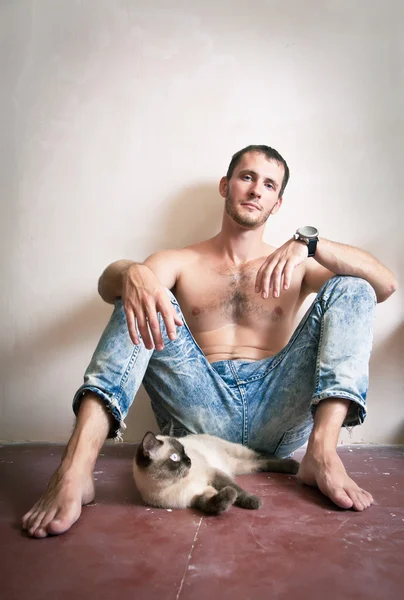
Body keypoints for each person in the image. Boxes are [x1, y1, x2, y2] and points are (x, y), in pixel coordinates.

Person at [22, 145, 397, 538]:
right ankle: (76, 468)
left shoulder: (297, 265)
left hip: (278, 409)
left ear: (277, 203)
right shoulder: (182, 260)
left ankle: (322, 452)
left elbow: (384, 285)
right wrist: (131, 271)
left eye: (268, 185)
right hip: (197, 418)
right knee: (146, 293)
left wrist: (312, 244)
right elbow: (106, 286)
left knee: (353, 286)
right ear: (226, 185)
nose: (256, 190)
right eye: (247, 177)